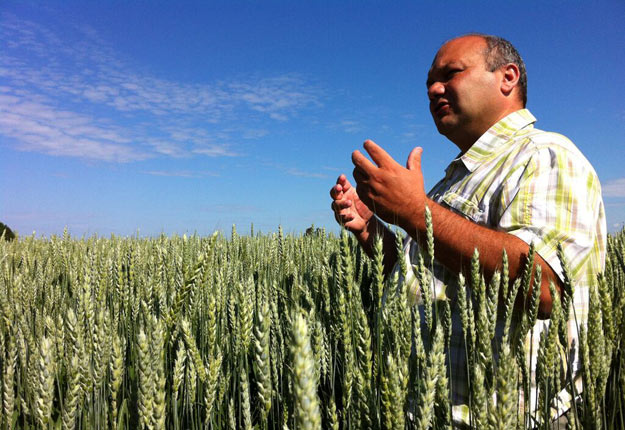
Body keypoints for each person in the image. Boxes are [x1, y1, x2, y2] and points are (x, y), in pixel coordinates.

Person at [330, 34, 606, 426]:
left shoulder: (544, 155)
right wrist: (373, 231)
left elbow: (543, 290)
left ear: (507, 78)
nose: (432, 88)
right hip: (431, 411)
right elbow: (424, 280)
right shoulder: (454, 182)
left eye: (450, 73)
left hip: (512, 418)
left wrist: (414, 210)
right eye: (429, 81)